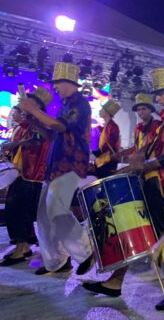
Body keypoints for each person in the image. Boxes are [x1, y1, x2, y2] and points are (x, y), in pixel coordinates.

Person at [83, 68, 164, 311]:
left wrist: (145, 164)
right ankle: (117, 280)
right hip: (156, 182)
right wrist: (137, 160)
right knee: (155, 237)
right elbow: (155, 148)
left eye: (159, 95)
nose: (156, 100)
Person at [19, 62, 94, 276]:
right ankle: (56, 261)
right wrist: (35, 122)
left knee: (56, 210)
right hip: (55, 165)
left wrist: (34, 109)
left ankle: (86, 251)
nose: (55, 88)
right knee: (43, 217)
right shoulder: (65, 104)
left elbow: (60, 126)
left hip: (70, 164)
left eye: (57, 83)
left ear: (68, 83)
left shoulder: (80, 103)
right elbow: (53, 134)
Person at [0, 88, 52, 266]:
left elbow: (37, 140)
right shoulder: (29, 122)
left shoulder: (40, 122)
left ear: (37, 105)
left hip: (31, 175)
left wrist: (14, 143)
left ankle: (22, 248)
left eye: (28, 102)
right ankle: (23, 246)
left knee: (19, 212)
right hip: (21, 173)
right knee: (14, 211)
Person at [92, 99, 121, 179]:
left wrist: (97, 152)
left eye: (102, 109)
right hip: (103, 161)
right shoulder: (107, 126)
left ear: (107, 112)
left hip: (108, 162)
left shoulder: (112, 126)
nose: (100, 111)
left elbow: (109, 144)